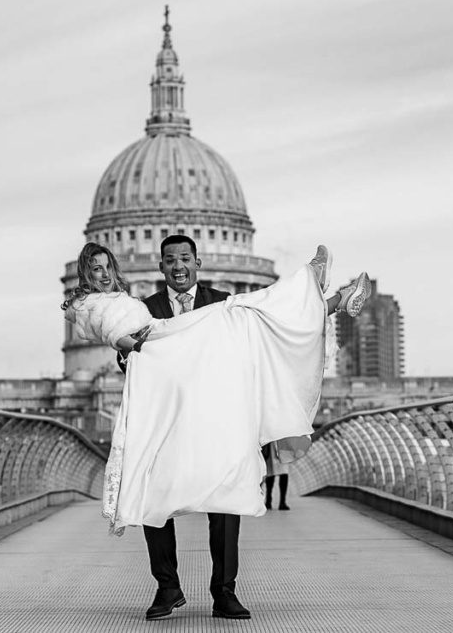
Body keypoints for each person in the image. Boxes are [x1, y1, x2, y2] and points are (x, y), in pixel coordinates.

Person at [63, 236, 370, 621]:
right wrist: (133, 350)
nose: (178, 266)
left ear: (198, 262)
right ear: (160, 267)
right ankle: (167, 588)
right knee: (151, 493)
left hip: (217, 411)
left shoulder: (223, 301)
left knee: (226, 498)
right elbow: (131, 357)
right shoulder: (145, 308)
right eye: (171, 260)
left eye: (185, 259)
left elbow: (256, 351)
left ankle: (224, 592)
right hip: (168, 413)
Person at [262, 442, 291, 510]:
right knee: (278, 474)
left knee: (276, 473)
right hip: (277, 447)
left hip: (276, 447)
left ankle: (271, 501)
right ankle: (280, 502)